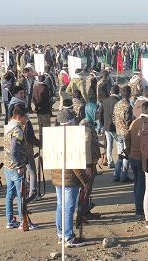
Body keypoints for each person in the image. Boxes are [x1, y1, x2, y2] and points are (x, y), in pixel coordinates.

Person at [52, 105, 89, 246]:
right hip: (69, 178)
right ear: (69, 123)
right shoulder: (72, 138)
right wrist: (85, 181)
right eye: (73, 121)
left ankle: (61, 234)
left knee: (60, 205)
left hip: (57, 176)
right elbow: (75, 165)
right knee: (69, 207)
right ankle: (69, 237)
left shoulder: (53, 136)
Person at [2, 105, 38, 230]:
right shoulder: (17, 130)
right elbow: (13, 151)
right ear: (19, 117)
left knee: (9, 194)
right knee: (20, 195)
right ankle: (23, 221)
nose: (26, 120)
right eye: (25, 117)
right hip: (16, 167)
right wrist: (19, 166)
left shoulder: (8, 126)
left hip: (7, 165)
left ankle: (10, 220)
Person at [127, 100, 148, 216]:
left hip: (133, 156)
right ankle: (140, 208)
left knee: (137, 182)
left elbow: (127, 138)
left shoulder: (134, 122)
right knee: (142, 183)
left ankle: (138, 206)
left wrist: (128, 151)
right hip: (142, 157)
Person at [97, 85, 120, 169]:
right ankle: (119, 162)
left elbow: (99, 114)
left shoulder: (104, 101)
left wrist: (103, 124)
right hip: (116, 127)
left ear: (110, 91)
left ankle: (110, 162)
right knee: (119, 144)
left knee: (109, 144)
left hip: (107, 126)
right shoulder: (118, 101)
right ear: (118, 92)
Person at [33, 75, 52, 140]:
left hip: (38, 110)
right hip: (45, 109)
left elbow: (33, 99)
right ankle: (46, 141)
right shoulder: (45, 88)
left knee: (40, 126)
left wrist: (36, 106)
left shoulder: (35, 88)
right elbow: (45, 98)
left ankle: (41, 141)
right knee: (46, 126)